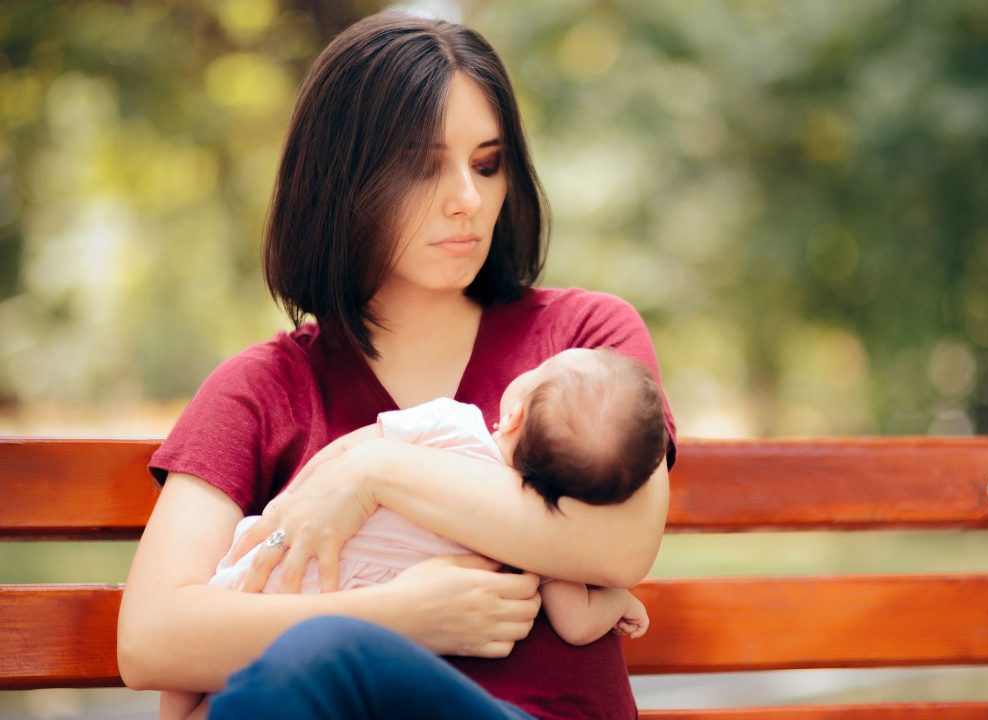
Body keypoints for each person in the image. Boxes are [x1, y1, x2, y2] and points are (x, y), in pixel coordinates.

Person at [116, 10, 675, 720]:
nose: (467, 200)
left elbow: (623, 543)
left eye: (487, 164)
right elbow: (151, 639)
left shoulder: (581, 345)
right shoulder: (261, 391)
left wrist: (376, 469)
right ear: (342, 180)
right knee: (305, 666)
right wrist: (400, 616)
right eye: (423, 165)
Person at [161, 348, 664, 719]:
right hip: (337, 604)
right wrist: (617, 600)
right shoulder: (537, 536)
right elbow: (577, 623)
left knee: (225, 666)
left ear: (512, 415)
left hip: (290, 569)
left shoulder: (451, 423)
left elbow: (346, 458)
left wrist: (289, 509)